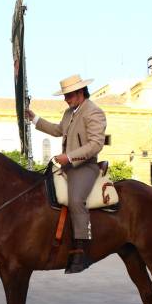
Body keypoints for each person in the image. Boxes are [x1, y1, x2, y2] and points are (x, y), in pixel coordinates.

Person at [26, 74, 106, 274]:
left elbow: (96, 144)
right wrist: (34, 118)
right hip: (67, 166)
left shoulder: (94, 112)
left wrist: (69, 157)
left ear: (80, 93)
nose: (66, 99)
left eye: (68, 95)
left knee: (76, 199)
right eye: (65, 96)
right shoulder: (69, 113)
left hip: (85, 167)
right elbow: (57, 130)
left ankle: (82, 248)